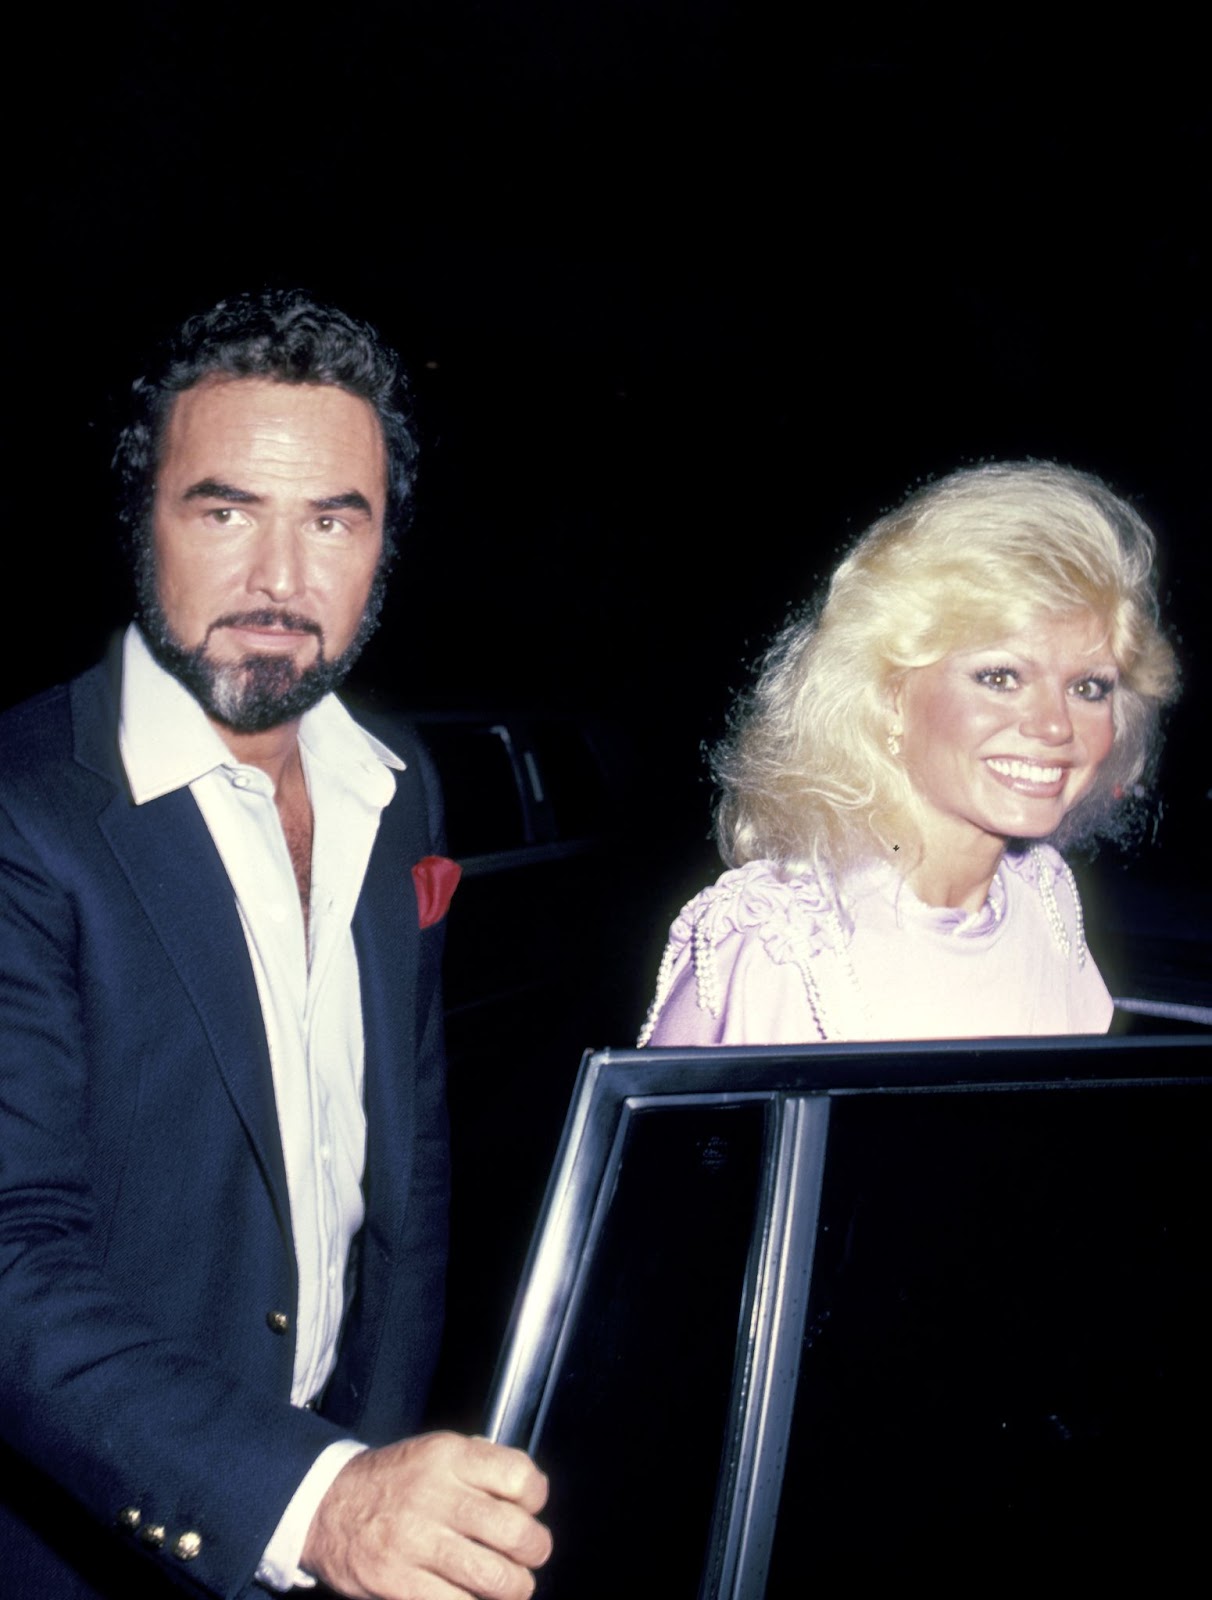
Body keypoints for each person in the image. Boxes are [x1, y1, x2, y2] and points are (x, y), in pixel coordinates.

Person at [0, 291, 551, 1599]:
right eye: (227, 510)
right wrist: (314, 1502)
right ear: (145, 519)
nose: (281, 582)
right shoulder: (24, 811)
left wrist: (373, 1454)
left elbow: (400, 1180)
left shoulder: (392, 783)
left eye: (333, 522)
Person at [640, 462, 1178, 1047]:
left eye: (1088, 688)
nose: (1055, 725)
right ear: (890, 696)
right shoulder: (787, 944)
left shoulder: (1039, 901)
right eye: (1000, 676)